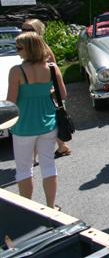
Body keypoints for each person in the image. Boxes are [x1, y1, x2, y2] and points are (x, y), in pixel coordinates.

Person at [6, 32, 66, 208]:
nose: (17, 51)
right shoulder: (53, 68)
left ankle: (29, 209)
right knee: (48, 166)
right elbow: (63, 95)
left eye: (19, 48)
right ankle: (51, 207)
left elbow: (11, 101)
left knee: (24, 169)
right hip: (48, 124)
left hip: (23, 126)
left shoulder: (17, 71)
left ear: (29, 49)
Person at [20, 19, 71, 159]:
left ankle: (34, 157)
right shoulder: (32, 49)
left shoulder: (42, 50)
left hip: (47, 93)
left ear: (38, 32)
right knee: (46, 122)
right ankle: (62, 146)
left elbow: (53, 71)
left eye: (28, 30)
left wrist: (52, 91)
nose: (24, 33)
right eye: (23, 30)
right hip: (43, 94)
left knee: (41, 123)